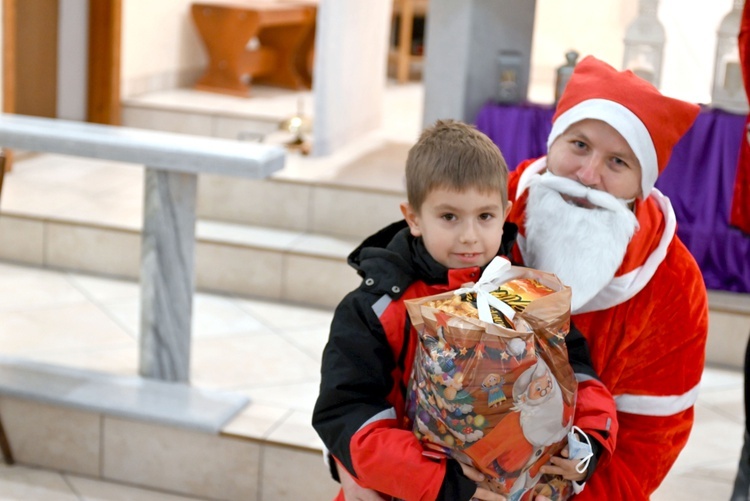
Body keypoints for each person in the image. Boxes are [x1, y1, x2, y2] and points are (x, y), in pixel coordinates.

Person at [312, 119, 617, 501]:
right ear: (414, 218)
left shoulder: (523, 292)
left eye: (485, 216)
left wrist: (587, 446)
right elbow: (347, 413)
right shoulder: (378, 307)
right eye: (449, 217)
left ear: (505, 212)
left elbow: (578, 376)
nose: (470, 235)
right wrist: (446, 484)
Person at [504, 55, 708, 500]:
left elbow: (650, 442)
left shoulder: (673, 283)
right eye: (578, 145)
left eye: (617, 162)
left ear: (641, 186)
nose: (589, 176)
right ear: (553, 142)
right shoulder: (481, 212)